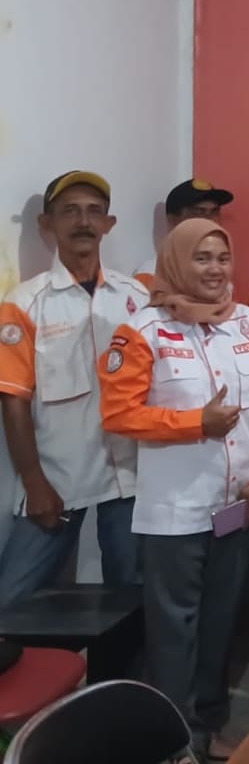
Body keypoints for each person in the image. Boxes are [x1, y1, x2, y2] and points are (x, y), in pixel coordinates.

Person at [98, 219, 249, 764]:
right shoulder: (143, 330)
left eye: (222, 258)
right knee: (173, 628)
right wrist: (194, 424)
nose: (214, 269)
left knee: (221, 620)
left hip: (240, 506)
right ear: (176, 263)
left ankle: (208, 724)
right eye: (201, 258)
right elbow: (118, 413)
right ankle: (176, 745)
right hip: (175, 510)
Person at [0, 171, 149, 607]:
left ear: (109, 223)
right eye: (70, 211)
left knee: (132, 601)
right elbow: (13, 401)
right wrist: (34, 482)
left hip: (131, 477)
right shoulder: (25, 303)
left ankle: (123, 657)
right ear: (47, 224)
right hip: (59, 478)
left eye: (94, 212)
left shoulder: (136, 297)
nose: (83, 222)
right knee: (12, 601)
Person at [134, 178, 235, 289]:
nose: (209, 220)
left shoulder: (219, 274)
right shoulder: (151, 275)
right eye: (198, 212)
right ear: (173, 220)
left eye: (214, 212)